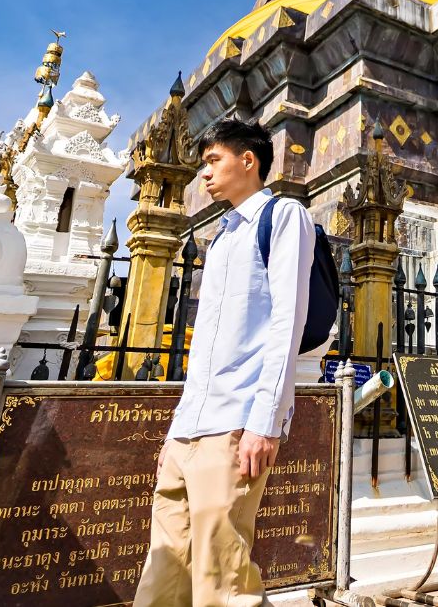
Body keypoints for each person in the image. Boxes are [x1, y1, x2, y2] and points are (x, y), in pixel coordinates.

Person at [132, 119, 316, 607]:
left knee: (223, 581)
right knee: (163, 573)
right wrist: (177, 431)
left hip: (236, 425)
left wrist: (264, 424)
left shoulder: (283, 217)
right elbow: (206, 347)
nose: (205, 175)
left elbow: (286, 324)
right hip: (191, 427)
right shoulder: (220, 239)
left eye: (213, 161)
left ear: (248, 160)